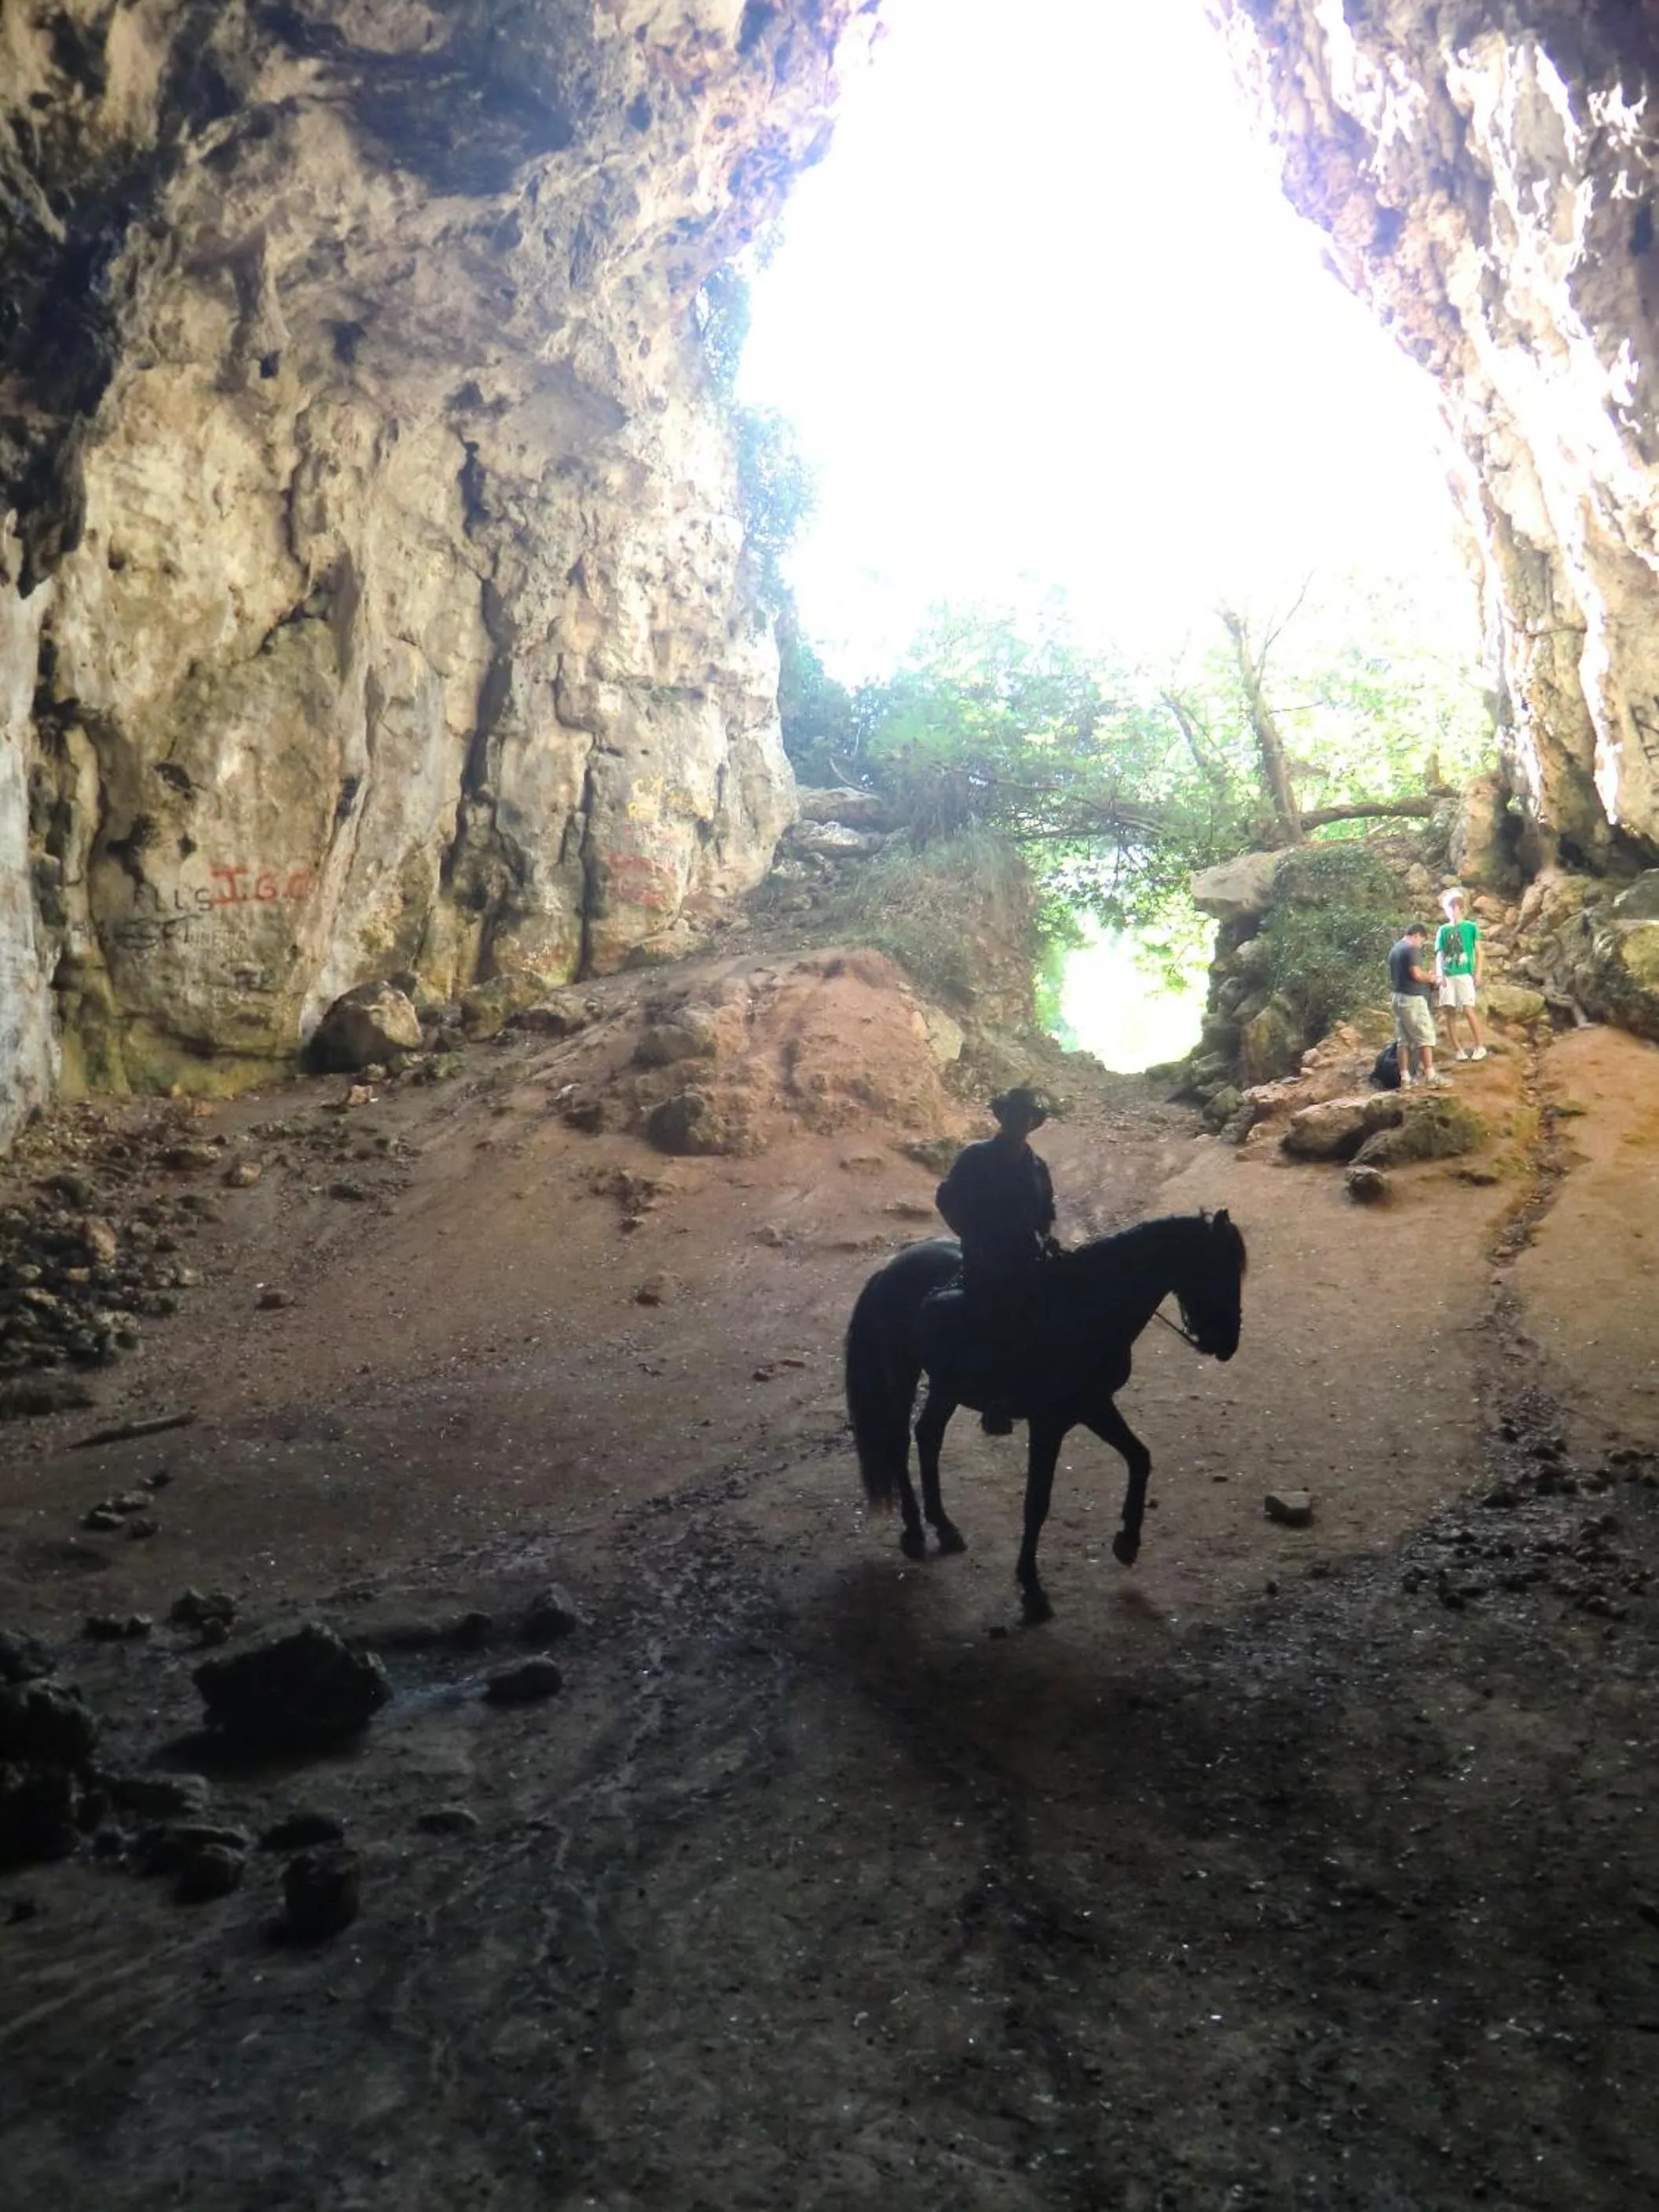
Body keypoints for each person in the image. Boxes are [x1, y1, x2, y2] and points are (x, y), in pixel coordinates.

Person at [934, 1086, 1057, 1433]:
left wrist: (1046, 1238)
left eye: (1027, 1116)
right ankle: (995, 1397)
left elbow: (1046, 1210)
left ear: (1033, 1123)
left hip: (1027, 1253)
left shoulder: (1037, 1166)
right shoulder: (976, 1157)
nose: (1021, 1121)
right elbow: (948, 1198)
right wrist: (971, 1237)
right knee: (999, 1311)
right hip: (986, 1254)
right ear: (1003, 1117)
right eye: (1015, 1114)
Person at [1387, 923, 1445, 1089]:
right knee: (1425, 1036)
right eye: (1421, 941)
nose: (1420, 945)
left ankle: (1405, 1078)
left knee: (1404, 1040)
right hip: (1412, 999)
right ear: (1417, 935)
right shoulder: (1411, 949)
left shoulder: (1395, 949)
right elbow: (1417, 974)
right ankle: (1431, 1076)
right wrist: (1433, 978)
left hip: (1398, 997)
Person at [1434, 887, 1488, 1061]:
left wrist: (1478, 973)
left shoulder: (1470, 927)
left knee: (1468, 1009)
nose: (1454, 909)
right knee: (1450, 1011)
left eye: (1456, 906)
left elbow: (1479, 952)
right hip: (1448, 974)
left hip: (1464, 973)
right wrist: (1440, 975)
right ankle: (1458, 1049)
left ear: (1461, 908)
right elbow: (1440, 954)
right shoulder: (1443, 930)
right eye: (1451, 906)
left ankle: (1480, 1046)